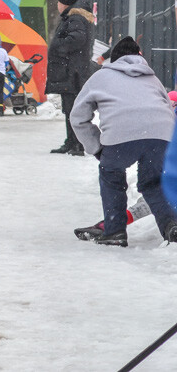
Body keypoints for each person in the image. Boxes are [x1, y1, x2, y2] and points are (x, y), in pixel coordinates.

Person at [70, 37, 177, 245]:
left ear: (115, 59)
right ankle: (171, 225)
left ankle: (115, 231)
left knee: (111, 177)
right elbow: (167, 110)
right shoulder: (152, 78)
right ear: (139, 56)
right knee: (154, 183)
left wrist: (96, 147)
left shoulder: (101, 77)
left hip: (120, 138)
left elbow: (78, 117)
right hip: (161, 136)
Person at [46, 0, 95, 156]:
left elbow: (77, 39)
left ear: (64, 3)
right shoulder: (75, 18)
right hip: (71, 71)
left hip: (71, 72)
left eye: (59, 2)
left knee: (72, 109)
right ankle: (72, 141)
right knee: (70, 108)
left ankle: (77, 144)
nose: (58, 6)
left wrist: (57, 45)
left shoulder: (75, 18)